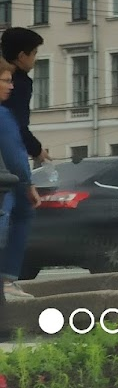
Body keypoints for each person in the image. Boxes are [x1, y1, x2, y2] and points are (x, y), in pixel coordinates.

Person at [0, 59, 41, 299]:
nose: (11, 86)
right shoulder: (3, 116)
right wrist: (28, 184)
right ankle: (7, 279)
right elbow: (15, 155)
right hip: (4, 185)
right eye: (6, 80)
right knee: (23, 212)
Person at [0, 28, 49, 167]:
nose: (35, 59)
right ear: (22, 56)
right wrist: (36, 149)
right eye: (34, 53)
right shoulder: (20, 83)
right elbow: (18, 125)